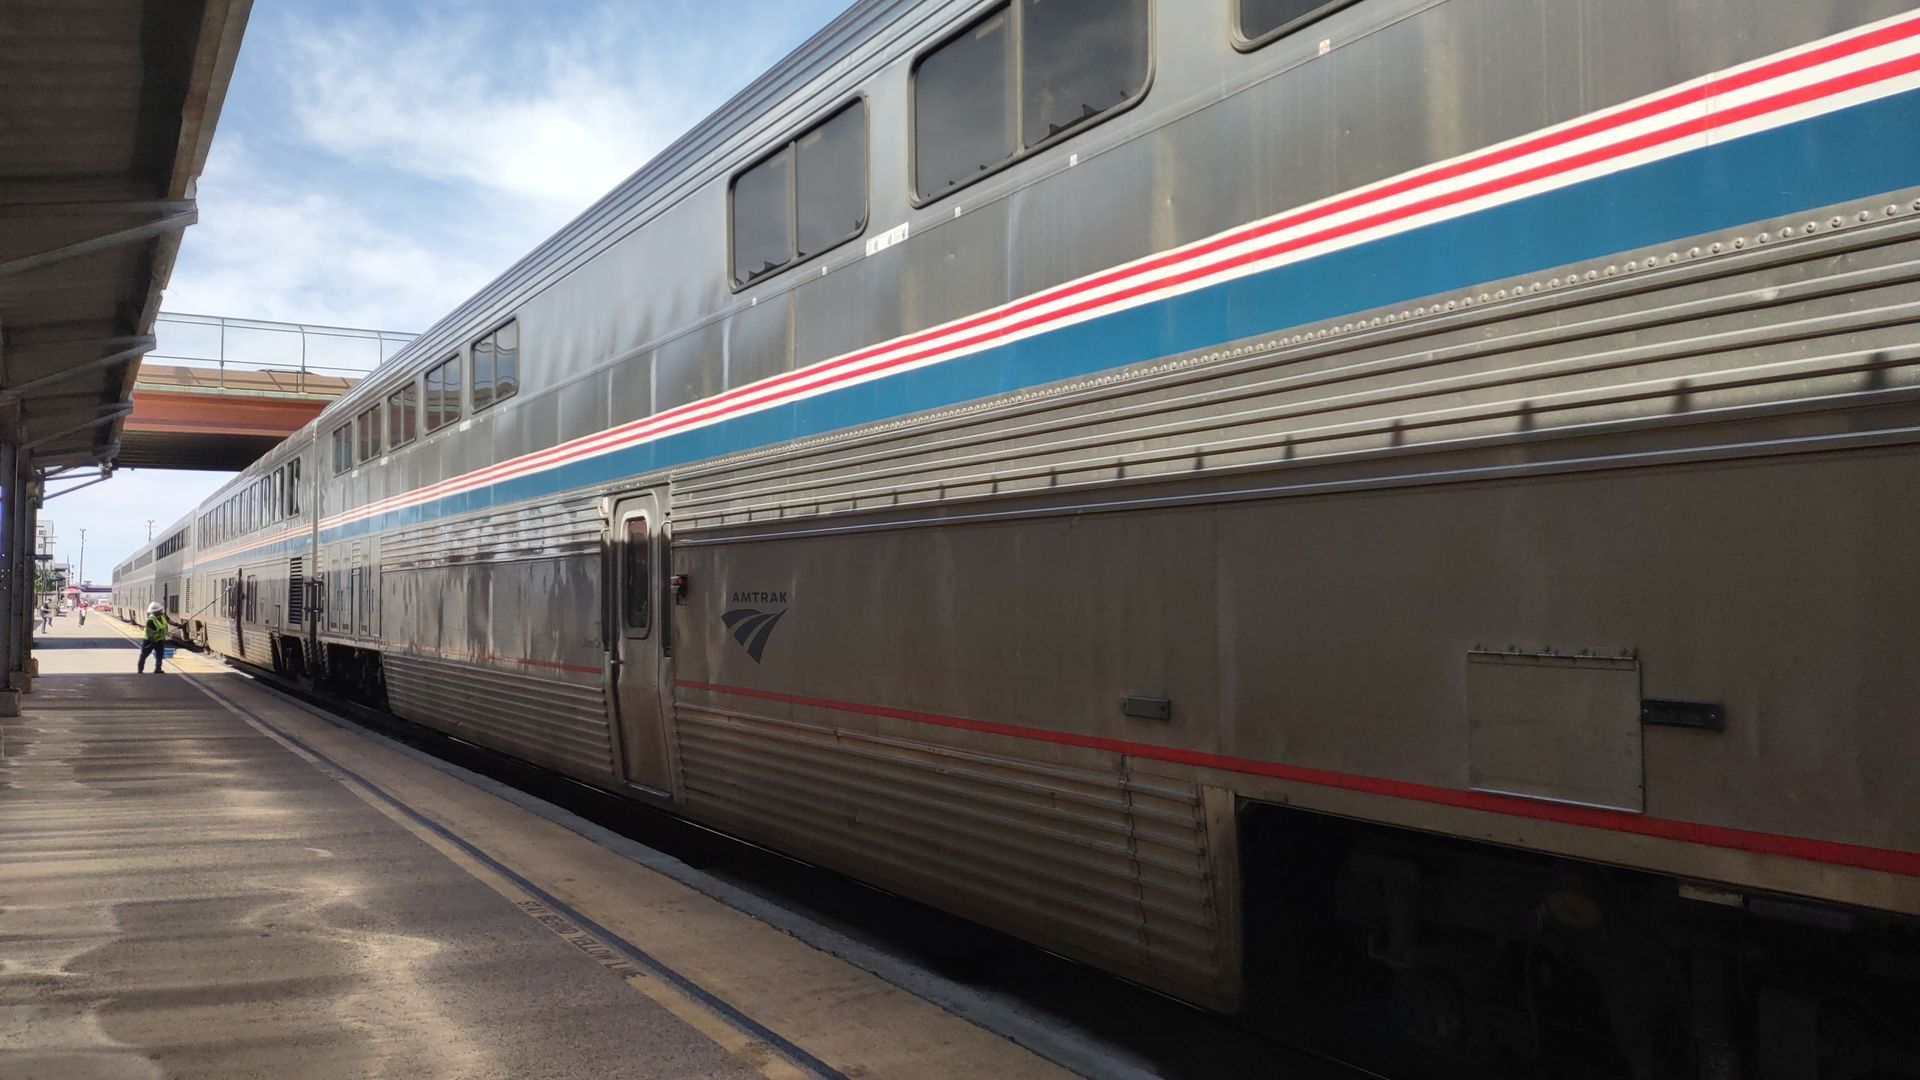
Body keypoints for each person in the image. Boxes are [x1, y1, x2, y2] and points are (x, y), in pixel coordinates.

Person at [138, 602, 169, 674]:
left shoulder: (163, 616)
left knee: (160, 654)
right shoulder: (150, 621)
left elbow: (170, 621)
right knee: (144, 655)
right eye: (159, 611)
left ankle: (158, 669)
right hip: (149, 641)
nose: (160, 612)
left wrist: (178, 625)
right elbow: (149, 633)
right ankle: (140, 670)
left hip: (159, 640)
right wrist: (153, 642)